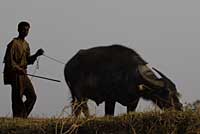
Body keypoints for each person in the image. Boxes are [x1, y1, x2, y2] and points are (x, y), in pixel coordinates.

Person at [3, 21, 44, 118]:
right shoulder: (13, 43)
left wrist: (36, 54)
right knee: (17, 98)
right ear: (19, 30)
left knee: (32, 97)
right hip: (15, 74)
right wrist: (18, 69)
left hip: (24, 74)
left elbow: (28, 61)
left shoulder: (26, 44)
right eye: (24, 30)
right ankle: (19, 118)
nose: (25, 32)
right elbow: (9, 61)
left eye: (27, 30)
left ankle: (21, 116)